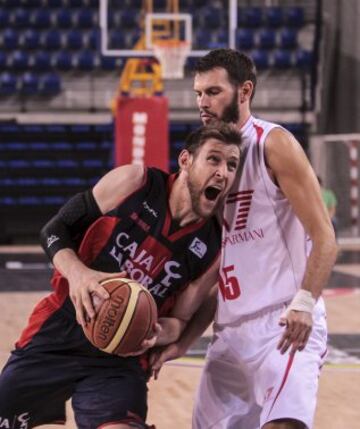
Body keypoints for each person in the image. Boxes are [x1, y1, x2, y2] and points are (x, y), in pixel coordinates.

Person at [0, 123, 242, 429]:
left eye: (232, 165)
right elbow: (53, 231)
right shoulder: (134, 182)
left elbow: (179, 322)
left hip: (120, 358)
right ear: (185, 161)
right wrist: (79, 276)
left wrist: (154, 332)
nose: (223, 172)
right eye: (214, 159)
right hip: (60, 329)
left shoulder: (213, 245)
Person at [152, 48, 338, 429]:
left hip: (284, 323)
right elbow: (216, 272)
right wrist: (184, 341)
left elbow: (325, 237)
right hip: (230, 331)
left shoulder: (274, 144)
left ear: (244, 91)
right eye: (198, 93)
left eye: (213, 92)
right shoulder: (209, 163)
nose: (203, 102)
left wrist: (304, 303)